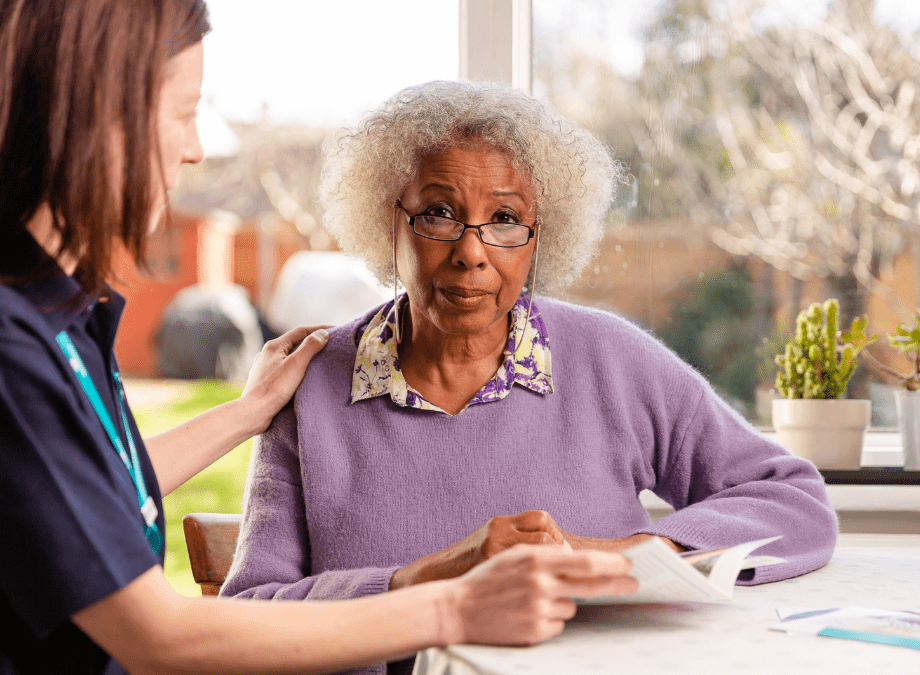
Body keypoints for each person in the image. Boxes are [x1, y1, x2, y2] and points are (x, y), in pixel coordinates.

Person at [0, 3, 640, 674]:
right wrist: (451, 603)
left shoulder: (60, 313)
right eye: (185, 111)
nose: (194, 147)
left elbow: (80, 491)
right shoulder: (15, 346)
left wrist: (243, 415)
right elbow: (160, 638)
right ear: (101, 115)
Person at [221, 79, 839, 673]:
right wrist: (421, 583)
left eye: (506, 219)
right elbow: (248, 621)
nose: (472, 250)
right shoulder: (312, 387)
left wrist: (612, 558)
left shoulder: (610, 361)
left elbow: (793, 499)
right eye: (439, 212)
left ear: (541, 237)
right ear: (390, 219)